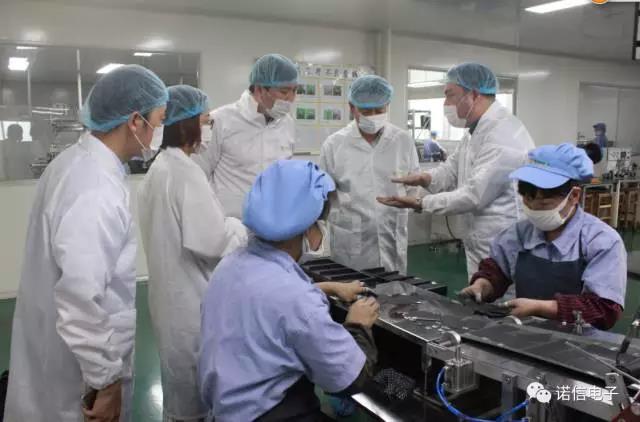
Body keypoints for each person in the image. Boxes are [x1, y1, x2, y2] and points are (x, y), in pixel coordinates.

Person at [3, 64, 168, 422]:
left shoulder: (75, 162)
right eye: (159, 119)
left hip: (56, 354)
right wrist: (106, 382)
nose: (160, 130)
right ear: (135, 121)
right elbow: (81, 299)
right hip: (80, 378)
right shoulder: (95, 189)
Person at [199, 160, 379, 421]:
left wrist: (328, 287)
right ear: (307, 227)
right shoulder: (296, 298)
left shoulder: (229, 266)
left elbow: (267, 301)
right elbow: (349, 378)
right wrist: (358, 325)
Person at [138, 85, 248, 422]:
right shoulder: (184, 173)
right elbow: (213, 242)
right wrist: (241, 226)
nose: (209, 128)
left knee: (179, 385)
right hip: (190, 301)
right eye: (205, 121)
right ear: (187, 125)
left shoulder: (160, 168)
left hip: (170, 296)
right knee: (193, 392)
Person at [377, 63, 535, 277]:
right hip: (480, 242)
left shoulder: (502, 134)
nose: (445, 104)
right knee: (480, 293)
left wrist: (420, 203)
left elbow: (474, 196)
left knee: (502, 297)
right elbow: (451, 169)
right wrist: (424, 178)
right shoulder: (475, 131)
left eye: (450, 95)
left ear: (474, 95)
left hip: (501, 243)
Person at [460, 144, 626, 330]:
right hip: (525, 333)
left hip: (579, 340)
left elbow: (604, 310)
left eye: (544, 202)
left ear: (574, 196)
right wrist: (482, 286)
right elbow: (497, 271)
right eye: (528, 199)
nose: (533, 208)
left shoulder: (601, 241)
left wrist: (540, 308)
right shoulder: (518, 234)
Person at [319, 75, 419, 272]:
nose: (373, 116)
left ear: (387, 105)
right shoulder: (334, 144)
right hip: (351, 241)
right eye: (366, 111)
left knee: (394, 287)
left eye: (379, 110)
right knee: (352, 288)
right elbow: (323, 196)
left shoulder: (402, 140)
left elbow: (413, 186)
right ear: (352, 107)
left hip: (392, 234)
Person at [193, 53, 298, 218]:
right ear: (259, 89)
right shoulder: (219, 120)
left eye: (295, 91)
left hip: (272, 224)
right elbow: (197, 175)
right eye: (284, 91)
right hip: (229, 226)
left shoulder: (287, 123)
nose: (291, 99)